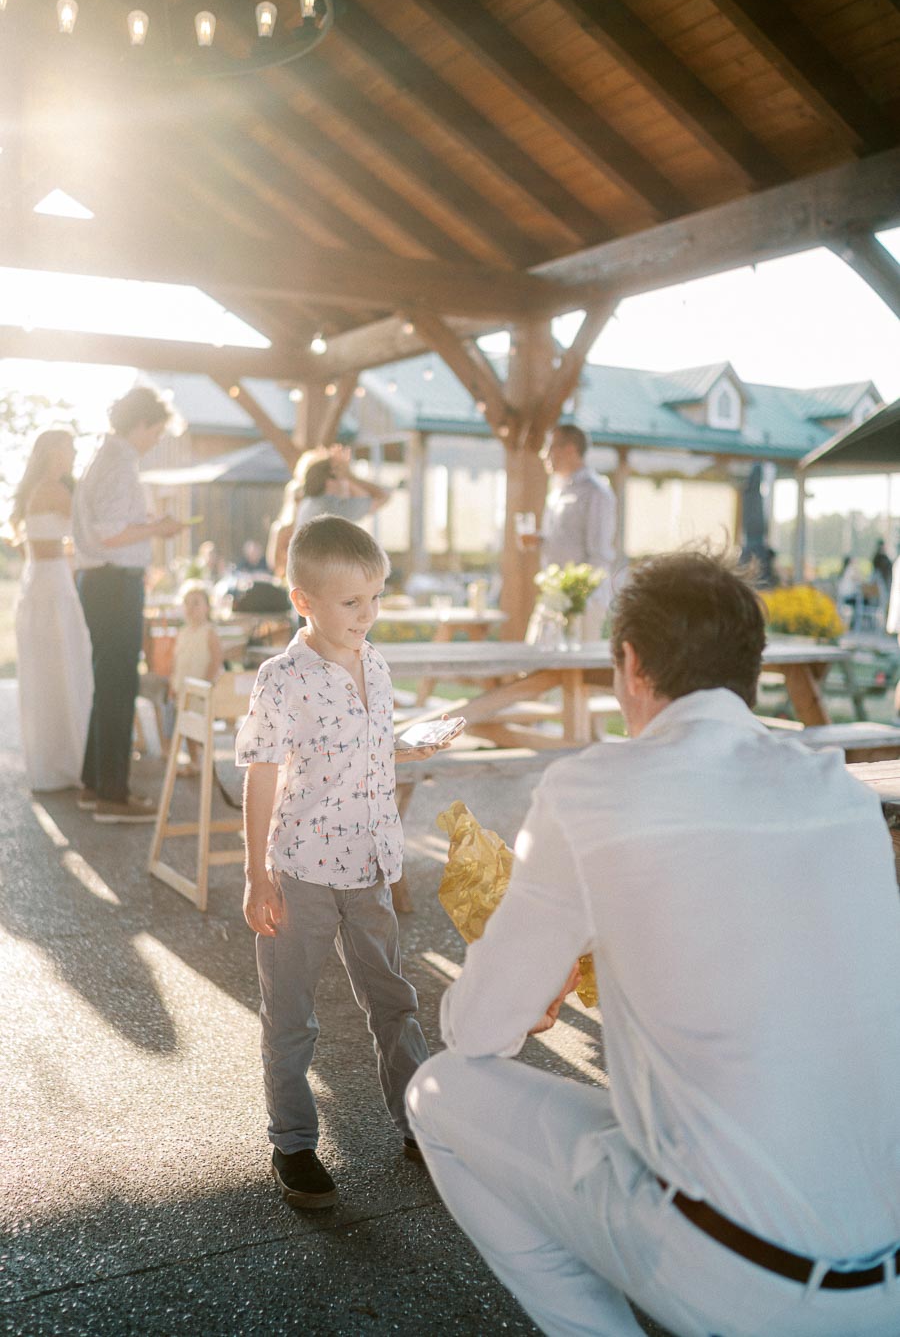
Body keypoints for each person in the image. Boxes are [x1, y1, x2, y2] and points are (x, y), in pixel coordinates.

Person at [407, 550, 900, 1337]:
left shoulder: (592, 790)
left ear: (630, 664)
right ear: (752, 671)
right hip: (887, 1287)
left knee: (436, 1091)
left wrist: (532, 989)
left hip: (739, 1280)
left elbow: (475, 1032)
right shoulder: (841, 796)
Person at [236, 515, 455, 1210]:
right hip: (299, 870)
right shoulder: (282, 679)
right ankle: (294, 1143)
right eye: (351, 602)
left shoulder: (379, 665)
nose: (368, 615)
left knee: (395, 1002)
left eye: (377, 598)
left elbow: (367, 746)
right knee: (292, 1015)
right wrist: (256, 873)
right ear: (304, 600)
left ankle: (417, 1123)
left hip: (369, 868)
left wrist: (402, 746)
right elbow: (262, 773)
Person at [73, 386, 184, 823]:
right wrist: (157, 529)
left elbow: (109, 527)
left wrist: (149, 527)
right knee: (119, 684)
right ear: (141, 424)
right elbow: (109, 533)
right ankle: (112, 796)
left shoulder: (104, 459)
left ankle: (94, 784)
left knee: (110, 683)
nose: (156, 439)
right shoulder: (118, 463)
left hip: (101, 580)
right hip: (114, 582)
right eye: (156, 431)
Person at [10, 427, 93, 791]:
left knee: (43, 678)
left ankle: (48, 763)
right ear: (53, 454)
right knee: (67, 671)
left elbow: (40, 543)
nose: (73, 455)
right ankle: (70, 761)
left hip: (35, 584)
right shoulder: (57, 491)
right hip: (54, 587)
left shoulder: (29, 491)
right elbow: (88, 533)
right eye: (69, 449)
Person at [522, 423, 616, 640]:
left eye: (550, 447)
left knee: (576, 670)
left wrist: (580, 598)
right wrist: (541, 540)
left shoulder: (596, 492)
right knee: (534, 658)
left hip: (582, 602)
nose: (544, 454)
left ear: (570, 449)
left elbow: (600, 554)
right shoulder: (557, 490)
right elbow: (566, 539)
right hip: (553, 594)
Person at [168, 582, 224, 776]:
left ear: (207, 607)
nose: (190, 608)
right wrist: (173, 682)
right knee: (186, 726)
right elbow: (176, 660)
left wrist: (207, 683)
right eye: (187, 603)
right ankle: (194, 762)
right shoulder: (182, 633)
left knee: (201, 728)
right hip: (184, 687)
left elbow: (216, 659)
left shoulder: (209, 632)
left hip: (202, 689)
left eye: (196, 603)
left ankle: (206, 761)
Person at [293, 444, 391, 532]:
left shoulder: (309, 502)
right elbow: (382, 496)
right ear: (330, 482)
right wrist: (350, 476)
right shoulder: (331, 507)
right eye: (343, 479)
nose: (347, 484)